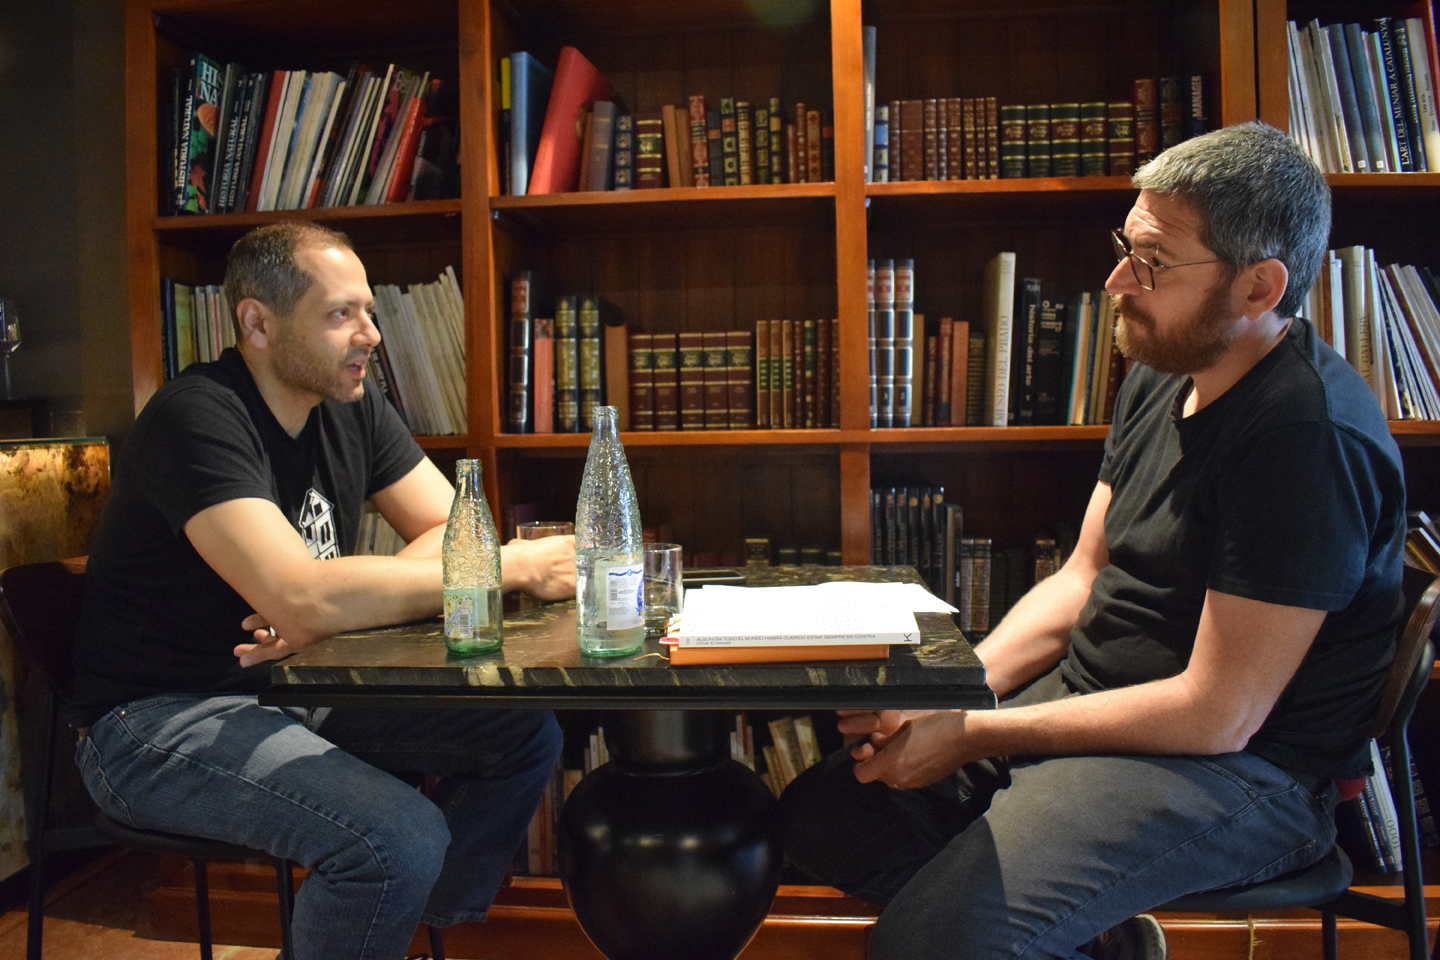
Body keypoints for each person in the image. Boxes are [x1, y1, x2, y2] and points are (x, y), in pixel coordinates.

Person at [780, 122, 1407, 960]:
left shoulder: (1305, 438)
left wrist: (970, 732)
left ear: (1259, 287)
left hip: (1239, 773)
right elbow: (1083, 576)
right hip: (1098, 710)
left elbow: (1217, 713)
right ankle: (1096, 940)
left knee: (931, 944)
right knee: (824, 815)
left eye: (1152, 262)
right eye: (1125, 248)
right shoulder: (1165, 368)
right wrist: (952, 691)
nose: (1116, 281)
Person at [67, 221, 576, 960]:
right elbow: (309, 597)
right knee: (396, 838)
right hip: (157, 721)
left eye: (368, 311)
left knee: (523, 734)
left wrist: (331, 606)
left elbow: (457, 529)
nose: (371, 334)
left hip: (297, 685)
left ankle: (400, 932)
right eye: (341, 314)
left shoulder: (350, 403)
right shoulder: (196, 417)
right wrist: (509, 567)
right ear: (257, 323)